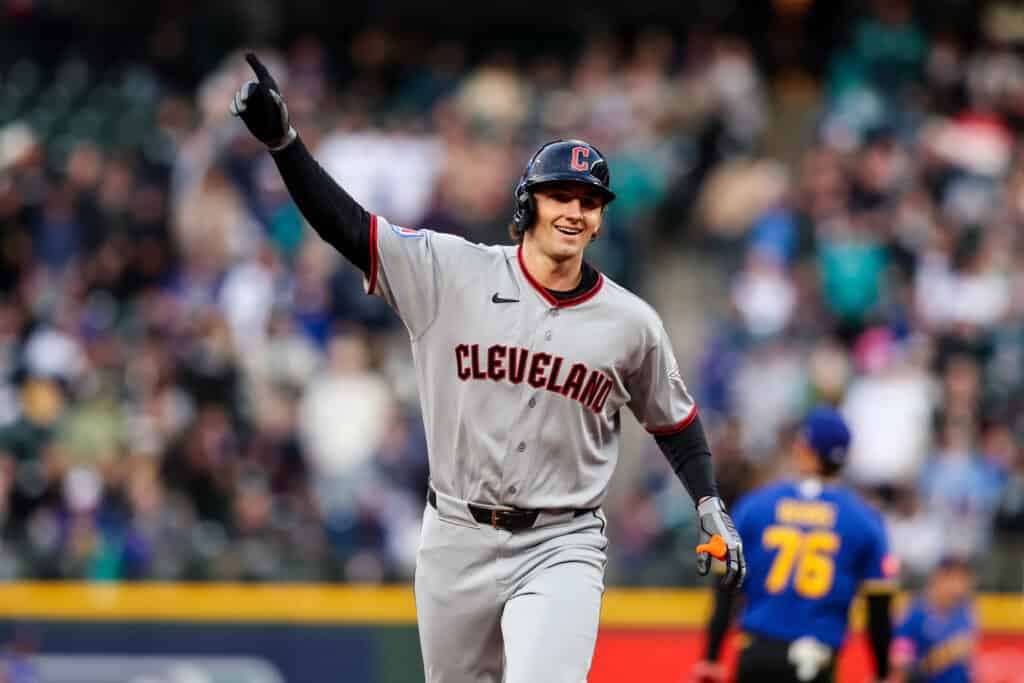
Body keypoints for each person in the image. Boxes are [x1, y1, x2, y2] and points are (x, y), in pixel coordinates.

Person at [230, 53, 745, 683]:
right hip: (456, 533)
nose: (573, 212)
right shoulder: (453, 272)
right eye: (560, 195)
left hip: (563, 540)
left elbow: (676, 420)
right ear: (529, 204)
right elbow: (349, 229)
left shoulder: (630, 321)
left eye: (589, 201)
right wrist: (285, 145)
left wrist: (708, 502)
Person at [693, 406, 897, 683]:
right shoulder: (865, 521)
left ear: (804, 448)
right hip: (816, 659)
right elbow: (879, 609)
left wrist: (711, 657)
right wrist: (882, 672)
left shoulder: (756, 506)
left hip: (756, 655)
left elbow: (725, 587)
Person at [887, 556, 976, 683]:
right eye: (954, 579)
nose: (959, 586)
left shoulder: (964, 613)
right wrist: (945, 654)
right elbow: (900, 665)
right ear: (940, 578)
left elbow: (967, 659)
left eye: (963, 580)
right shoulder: (914, 615)